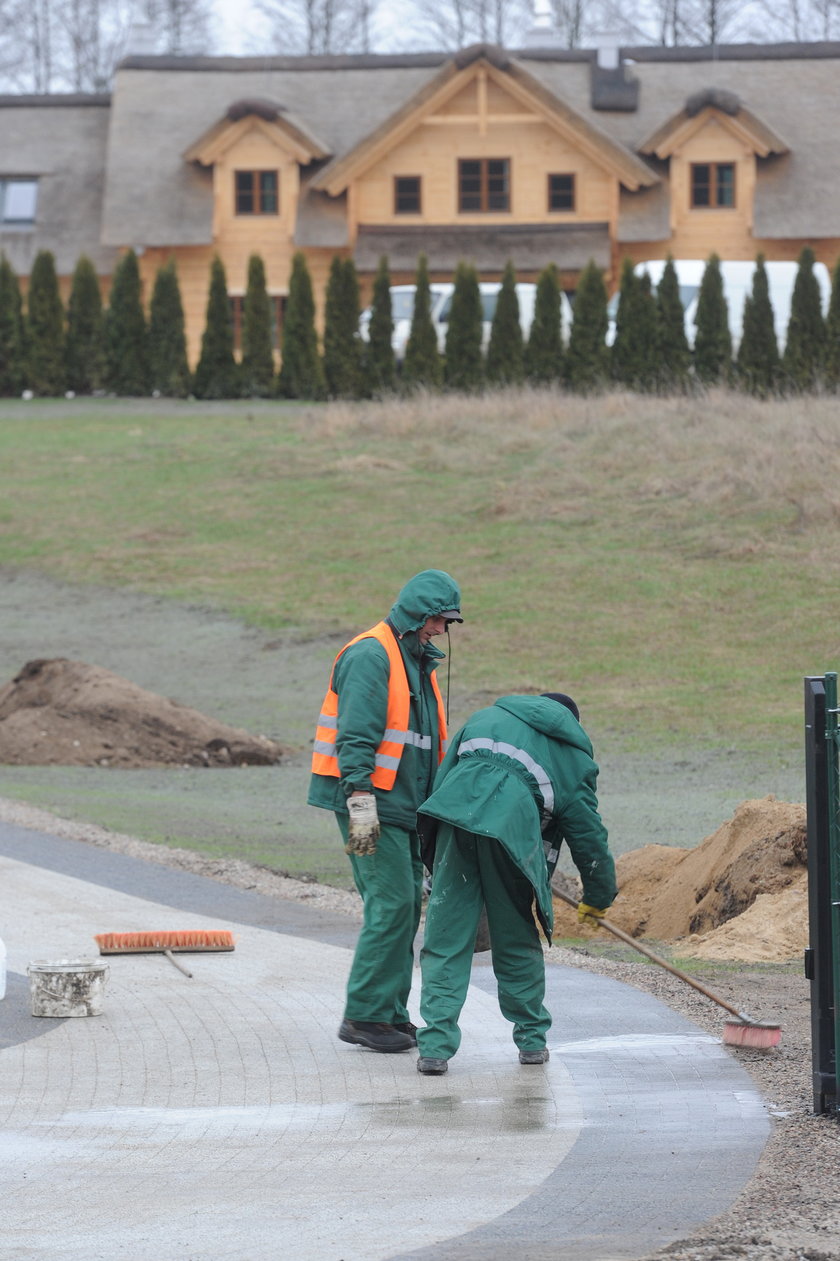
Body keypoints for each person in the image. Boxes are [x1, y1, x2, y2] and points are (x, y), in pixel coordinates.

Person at [415, 692, 617, 1075]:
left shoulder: (485, 718)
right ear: (572, 724)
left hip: (453, 826)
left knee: (445, 938)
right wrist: (598, 895)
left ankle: (435, 1048)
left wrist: (432, 851)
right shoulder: (573, 759)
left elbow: (443, 780)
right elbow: (589, 839)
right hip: (510, 837)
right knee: (515, 935)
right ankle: (531, 1040)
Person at [308, 569, 463, 1054]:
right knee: (392, 902)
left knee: (402, 905)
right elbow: (355, 736)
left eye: (447, 623)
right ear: (418, 614)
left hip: (403, 810)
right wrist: (360, 804)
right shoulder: (371, 656)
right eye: (438, 620)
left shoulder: (414, 662)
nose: (442, 630)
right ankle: (365, 1015)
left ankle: (390, 1014)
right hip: (365, 804)